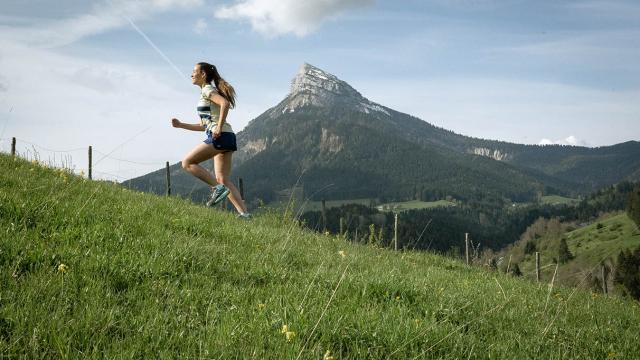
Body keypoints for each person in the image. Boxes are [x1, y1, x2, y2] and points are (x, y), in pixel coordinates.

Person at [171, 62, 251, 219]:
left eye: (194, 71)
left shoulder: (207, 89)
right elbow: (204, 125)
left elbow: (225, 104)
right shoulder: (204, 93)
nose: (191, 74)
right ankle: (245, 214)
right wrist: (181, 125)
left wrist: (219, 127)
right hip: (227, 137)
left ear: (203, 75)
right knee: (223, 179)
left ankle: (217, 189)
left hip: (221, 135)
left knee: (187, 162)